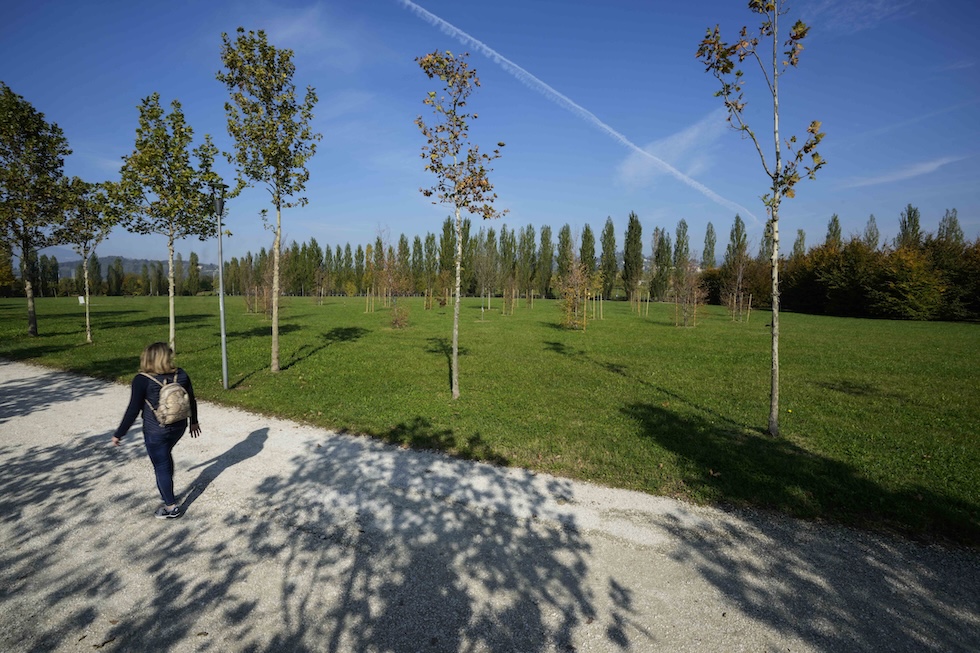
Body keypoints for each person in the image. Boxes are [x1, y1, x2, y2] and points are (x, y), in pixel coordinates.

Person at [113, 342, 201, 519]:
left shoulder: (142, 379)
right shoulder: (181, 374)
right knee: (165, 457)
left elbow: (133, 409)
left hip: (156, 431)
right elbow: (191, 399)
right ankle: (168, 491)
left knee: (161, 464)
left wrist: (119, 433)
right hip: (179, 426)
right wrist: (194, 422)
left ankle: (171, 507)